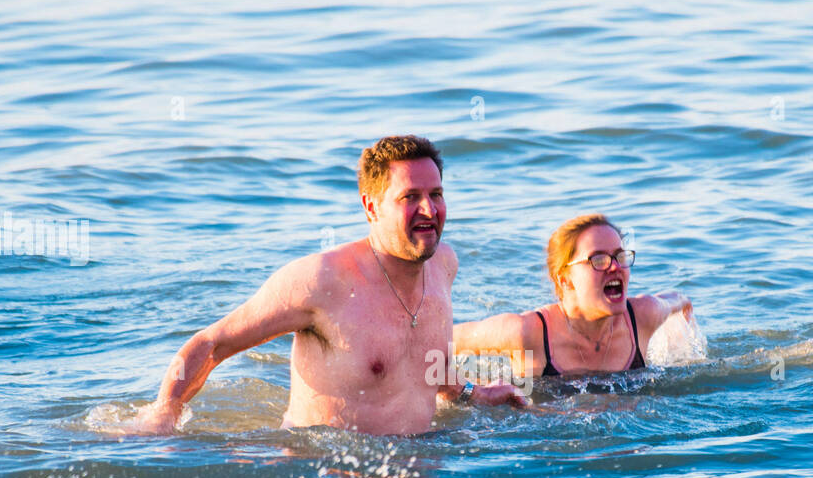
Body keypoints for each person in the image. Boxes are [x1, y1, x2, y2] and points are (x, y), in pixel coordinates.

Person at [129, 135, 526, 436]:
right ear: (371, 207)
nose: (429, 209)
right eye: (411, 197)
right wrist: (165, 411)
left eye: (436, 194)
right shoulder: (321, 282)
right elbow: (213, 343)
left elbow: (416, 359)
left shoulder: (443, 265)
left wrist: (471, 393)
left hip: (421, 464)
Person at [452, 214, 692, 379]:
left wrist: (683, 353)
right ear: (564, 279)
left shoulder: (642, 316)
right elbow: (443, 341)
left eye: (619, 256)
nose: (614, 266)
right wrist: (466, 392)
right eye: (597, 260)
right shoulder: (526, 333)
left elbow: (679, 300)